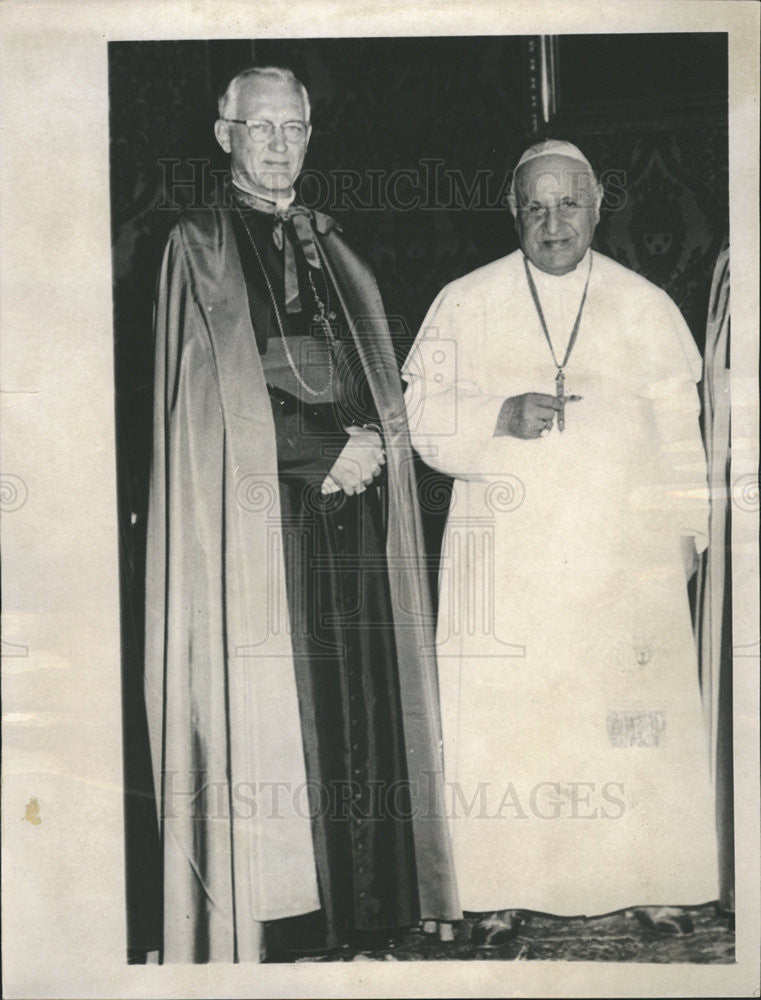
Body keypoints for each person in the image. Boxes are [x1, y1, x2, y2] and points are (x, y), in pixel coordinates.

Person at [144, 65, 458, 962]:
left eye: (294, 130)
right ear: (224, 134)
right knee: (283, 709)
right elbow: (209, 404)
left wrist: (366, 445)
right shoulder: (195, 247)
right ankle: (286, 923)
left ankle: (367, 908)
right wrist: (319, 454)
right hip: (262, 521)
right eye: (261, 128)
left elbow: (372, 384)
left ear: (311, 138)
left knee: (359, 691)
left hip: (349, 512)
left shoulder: (335, 249)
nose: (279, 145)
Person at [403, 139, 719, 945]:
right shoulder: (464, 302)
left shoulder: (644, 305)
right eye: (535, 207)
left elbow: (684, 435)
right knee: (510, 719)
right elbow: (418, 421)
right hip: (506, 556)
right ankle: (499, 885)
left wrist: (688, 529)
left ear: (597, 206)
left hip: (623, 559)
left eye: (567, 204)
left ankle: (653, 879)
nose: (552, 223)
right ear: (512, 211)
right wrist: (494, 419)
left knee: (630, 720)